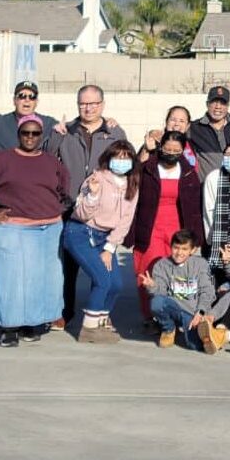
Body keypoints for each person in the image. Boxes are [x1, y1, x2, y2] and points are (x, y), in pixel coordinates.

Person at [0, 114, 70, 347]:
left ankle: (31, 324)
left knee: (40, 280)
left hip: (48, 230)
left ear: (41, 136)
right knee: (9, 280)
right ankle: (9, 328)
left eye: (35, 133)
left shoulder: (52, 162)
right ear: (18, 134)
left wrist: (56, 209)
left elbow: (64, 187)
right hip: (12, 229)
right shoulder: (1, 160)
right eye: (25, 133)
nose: (30, 137)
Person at [53, 84, 128, 327]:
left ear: (102, 105)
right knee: (65, 267)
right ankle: (63, 312)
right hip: (68, 207)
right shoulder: (66, 131)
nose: (88, 108)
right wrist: (55, 135)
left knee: (101, 269)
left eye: (93, 103)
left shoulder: (115, 133)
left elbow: (126, 168)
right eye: (83, 103)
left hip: (100, 213)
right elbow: (47, 157)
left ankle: (100, 313)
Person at [63, 139, 140, 344]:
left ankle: (101, 321)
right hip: (80, 233)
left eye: (126, 158)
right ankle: (88, 328)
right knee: (102, 280)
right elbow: (80, 213)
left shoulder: (132, 184)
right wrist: (94, 196)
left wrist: (109, 247)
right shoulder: (96, 178)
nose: (121, 162)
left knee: (115, 284)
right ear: (109, 158)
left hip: (104, 238)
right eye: (117, 157)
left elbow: (125, 221)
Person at [128, 129, 205, 324]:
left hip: (177, 227)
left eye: (176, 150)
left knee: (176, 272)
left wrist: (195, 237)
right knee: (148, 269)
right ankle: (150, 316)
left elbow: (195, 207)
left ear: (183, 151)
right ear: (160, 147)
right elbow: (131, 186)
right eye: (167, 149)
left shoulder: (188, 172)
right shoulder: (147, 168)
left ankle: (175, 315)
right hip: (150, 226)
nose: (171, 153)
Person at [146, 230, 223, 351]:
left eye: (184, 249)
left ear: (192, 250)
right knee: (156, 302)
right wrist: (152, 286)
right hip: (174, 307)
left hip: (193, 312)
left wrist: (201, 312)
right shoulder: (162, 265)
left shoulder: (200, 264)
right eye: (176, 248)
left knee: (195, 346)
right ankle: (168, 329)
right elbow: (160, 293)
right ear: (171, 247)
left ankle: (219, 335)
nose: (179, 252)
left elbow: (207, 291)